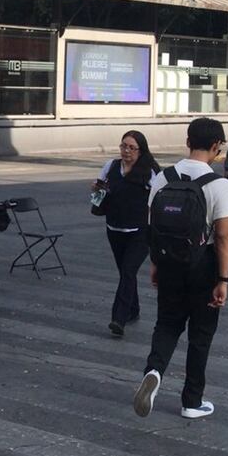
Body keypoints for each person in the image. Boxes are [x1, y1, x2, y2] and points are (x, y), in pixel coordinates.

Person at [134, 117, 228, 420]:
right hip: (202, 265)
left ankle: (154, 371)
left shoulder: (163, 178)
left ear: (188, 141)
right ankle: (192, 401)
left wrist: (155, 264)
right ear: (216, 146)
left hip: (169, 262)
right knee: (200, 334)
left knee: (166, 324)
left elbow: (152, 225)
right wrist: (223, 279)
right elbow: (223, 235)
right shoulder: (218, 184)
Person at [93, 130, 159, 338]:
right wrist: (96, 191)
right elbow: (98, 190)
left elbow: (159, 198)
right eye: (123, 146)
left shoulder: (149, 171)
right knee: (125, 272)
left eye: (131, 147)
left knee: (129, 271)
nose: (126, 151)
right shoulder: (110, 167)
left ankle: (118, 318)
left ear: (141, 150)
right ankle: (133, 309)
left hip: (140, 231)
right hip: (114, 228)